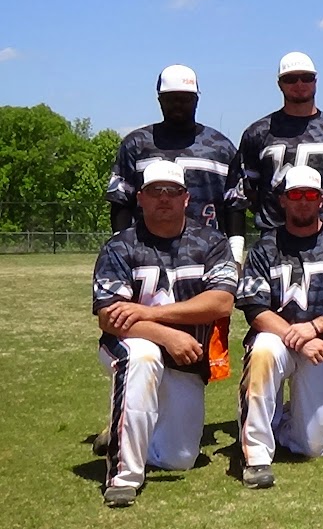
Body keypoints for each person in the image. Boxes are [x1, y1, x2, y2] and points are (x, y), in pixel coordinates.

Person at [229, 51, 323, 437]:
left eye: (306, 78)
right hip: (275, 240)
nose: (299, 85)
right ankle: (265, 412)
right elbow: (244, 192)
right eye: (291, 79)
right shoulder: (258, 132)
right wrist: (242, 245)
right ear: (280, 84)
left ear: (316, 80)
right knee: (272, 324)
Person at [92, 160, 237, 507]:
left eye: (173, 191)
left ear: (186, 198)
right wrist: (166, 335)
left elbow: (222, 302)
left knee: (180, 458)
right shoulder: (120, 246)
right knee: (143, 356)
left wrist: (149, 313)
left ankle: (123, 431)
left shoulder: (211, 242)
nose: (164, 198)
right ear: (140, 198)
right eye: (155, 190)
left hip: (186, 356)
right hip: (128, 344)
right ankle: (124, 476)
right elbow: (110, 318)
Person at [234, 166, 323, 489]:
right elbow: (254, 307)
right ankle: (255, 455)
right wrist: (298, 338)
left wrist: (315, 327)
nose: (303, 201)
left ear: (322, 200)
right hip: (279, 340)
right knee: (263, 349)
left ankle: (285, 419)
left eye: (310, 195)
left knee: (312, 447)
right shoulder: (265, 247)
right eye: (295, 194)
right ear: (283, 200)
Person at [104, 64, 241, 388]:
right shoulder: (137, 143)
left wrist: (235, 253)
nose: (179, 104)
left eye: (185, 98)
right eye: (171, 98)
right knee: (138, 337)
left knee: (199, 340)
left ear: (197, 99)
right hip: (146, 253)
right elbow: (121, 200)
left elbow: (235, 203)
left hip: (205, 256)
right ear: (159, 99)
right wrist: (122, 248)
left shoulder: (220, 145)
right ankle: (133, 404)